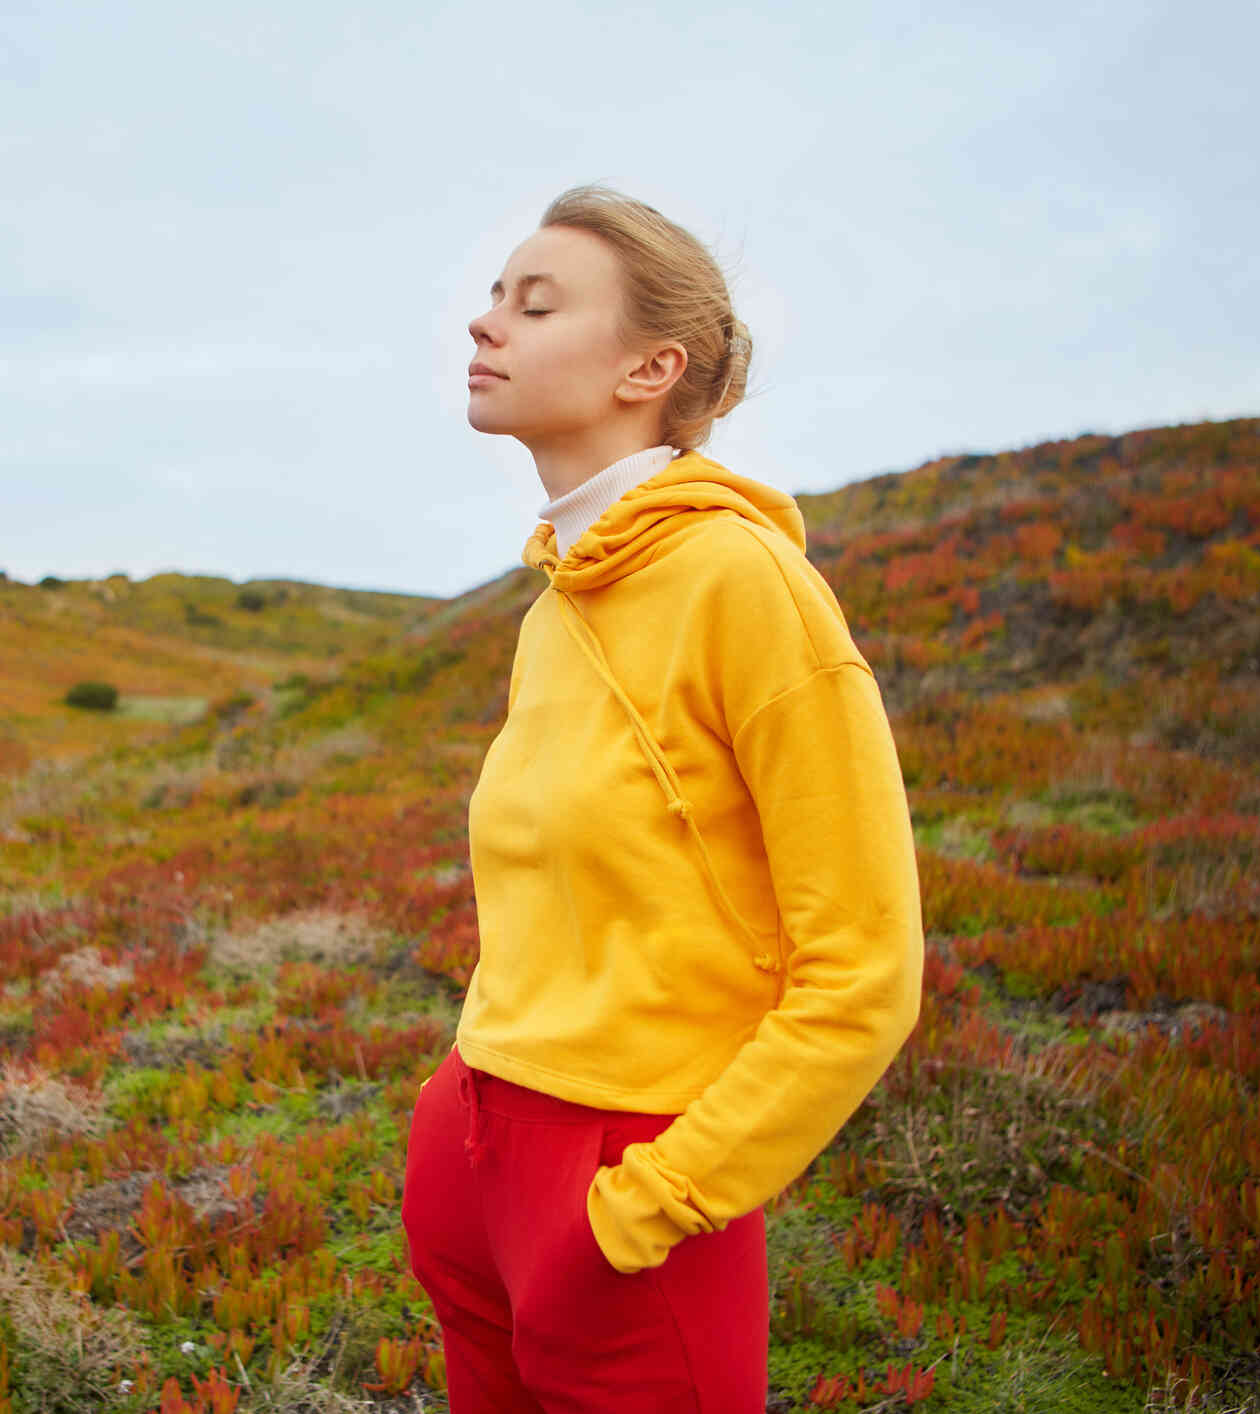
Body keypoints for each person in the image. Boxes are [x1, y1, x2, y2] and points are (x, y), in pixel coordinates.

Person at [401, 183, 924, 1412]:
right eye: (492, 297)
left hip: (630, 1188)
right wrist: (460, 1138)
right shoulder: (559, 602)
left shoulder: (746, 587)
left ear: (652, 366)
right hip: (476, 1144)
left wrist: (653, 1205)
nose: (485, 326)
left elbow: (865, 973)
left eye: (535, 304)